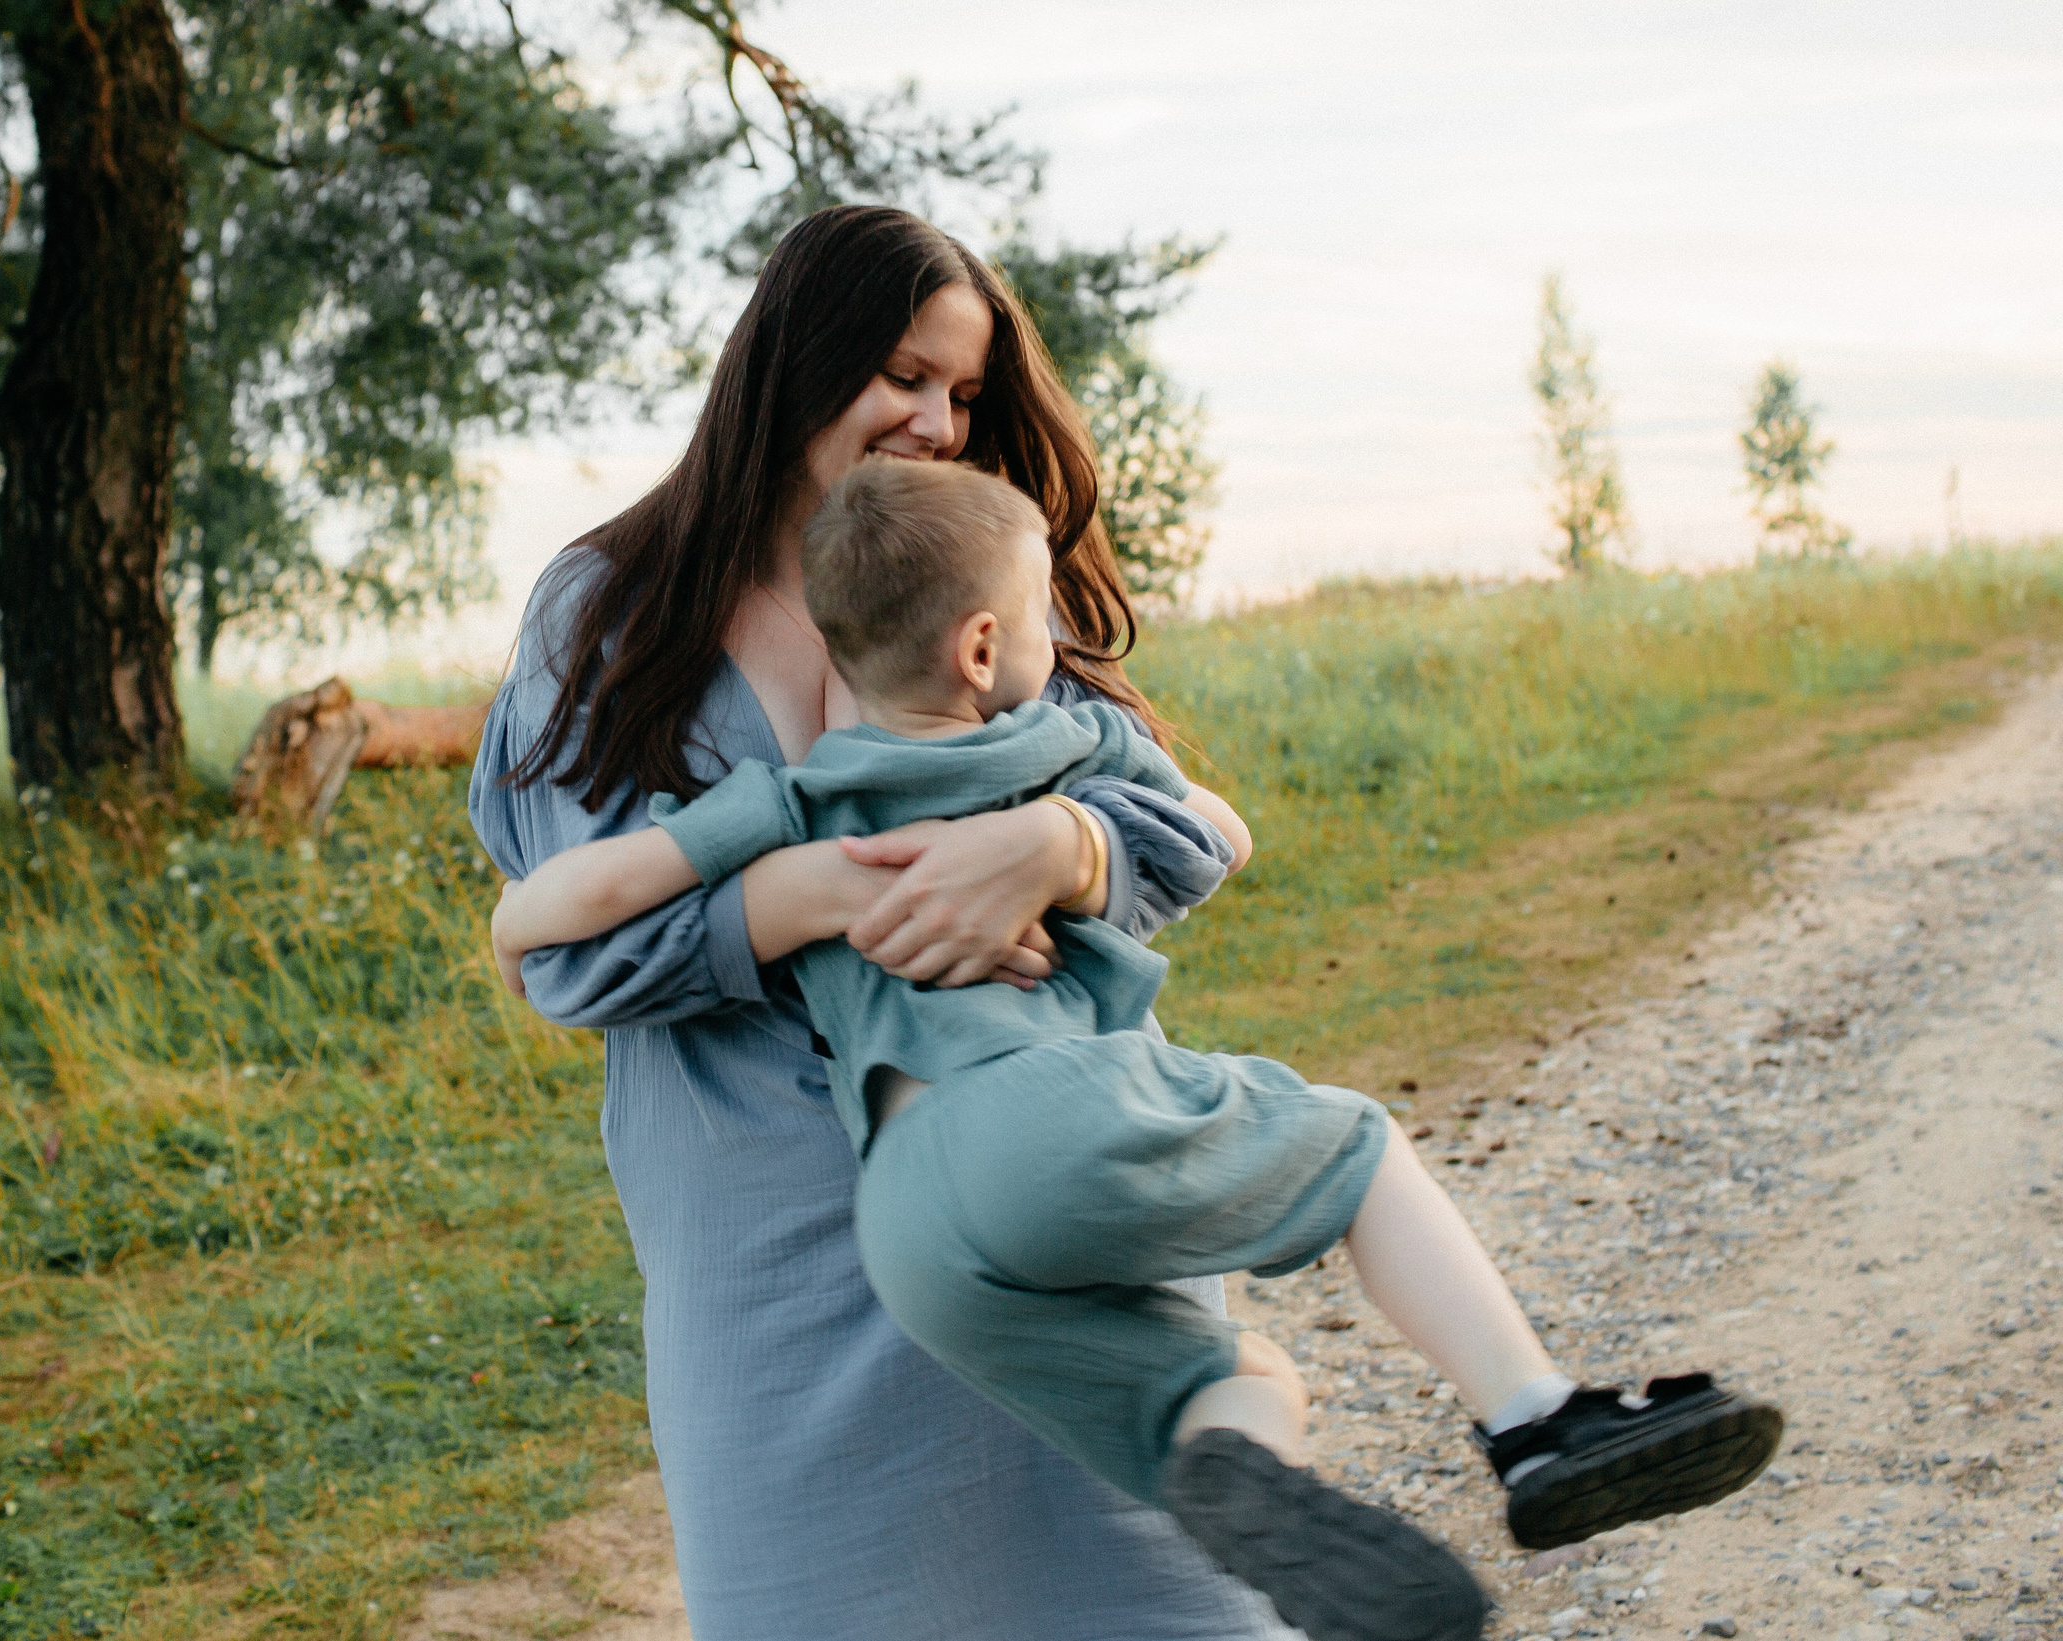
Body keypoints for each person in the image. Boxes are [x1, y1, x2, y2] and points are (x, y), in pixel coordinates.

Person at [492, 457, 1787, 1641]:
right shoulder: (1058, 737)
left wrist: (556, 915)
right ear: (986, 642)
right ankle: (1536, 1419)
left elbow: (567, 906)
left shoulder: (791, 798)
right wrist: (1068, 838)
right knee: (1359, 1149)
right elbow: (1216, 830)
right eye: (1046, 615)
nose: (1061, 639)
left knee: (1224, 1390)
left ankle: (1248, 1473)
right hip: (1043, 1115)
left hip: (907, 1221)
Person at [469, 204, 1277, 1640]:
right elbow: (572, 953)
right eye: (905, 375)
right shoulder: (608, 615)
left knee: (1170, 1608)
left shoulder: (960, 572)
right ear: (797, 360)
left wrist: (1058, 843)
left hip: (1039, 1191)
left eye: (964, 394)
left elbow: (1170, 823)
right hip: (771, 1251)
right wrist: (804, 896)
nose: (936, 422)